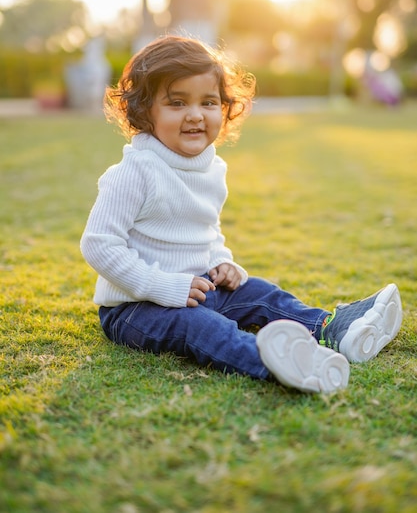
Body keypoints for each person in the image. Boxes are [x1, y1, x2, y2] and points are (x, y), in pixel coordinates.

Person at [80, 35, 403, 394]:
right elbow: (99, 245)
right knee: (201, 327)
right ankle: (279, 363)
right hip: (136, 307)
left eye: (209, 102)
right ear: (144, 111)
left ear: (225, 108)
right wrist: (164, 286)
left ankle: (332, 329)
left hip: (201, 286)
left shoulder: (211, 168)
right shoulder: (135, 171)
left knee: (262, 294)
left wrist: (221, 260)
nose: (195, 114)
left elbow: (206, 228)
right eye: (176, 102)